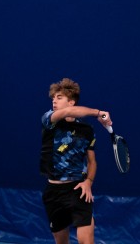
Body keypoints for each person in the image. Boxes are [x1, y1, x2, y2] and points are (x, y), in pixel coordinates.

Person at [40, 78, 112, 244]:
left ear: (71, 102)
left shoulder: (86, 130)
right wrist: (98, 113)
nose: (54, 101)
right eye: (53, 98)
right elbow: (68, 112)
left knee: (86, 241)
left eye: (59, 98)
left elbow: (92, 161)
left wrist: (89, 181)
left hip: (78, 189)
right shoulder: (49, 119)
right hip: (53, 191)